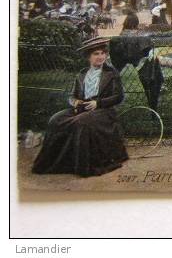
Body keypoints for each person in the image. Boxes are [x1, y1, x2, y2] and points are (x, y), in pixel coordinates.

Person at [32, 37, 129, 177]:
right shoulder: (82, 74)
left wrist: (98, 103)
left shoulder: (111, 74)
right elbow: (72, 96)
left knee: (81, 122)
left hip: (104, 111)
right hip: (82, 108)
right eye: (96, 54)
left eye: (103, 53)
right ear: (88, 57)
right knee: (56, 119)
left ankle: (83, 165)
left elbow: (119, 97)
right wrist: (75, 102)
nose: (100, 57)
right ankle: (59, 162)